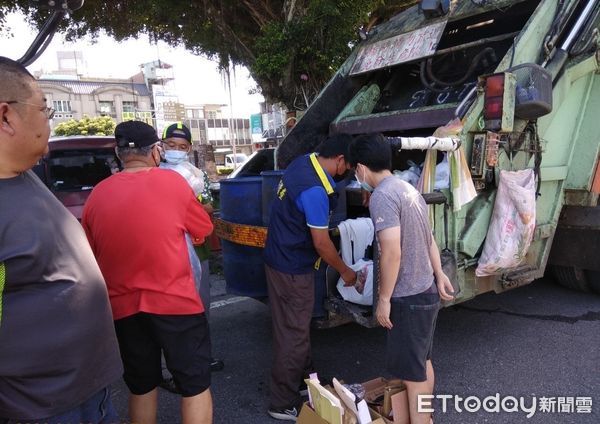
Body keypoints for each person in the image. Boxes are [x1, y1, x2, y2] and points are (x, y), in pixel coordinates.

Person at [0, 57, 122, 423]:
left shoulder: (24, 176)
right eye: (45, 108)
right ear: (6, 117)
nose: (49, 121)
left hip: (88, 393)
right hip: (41, 408)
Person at [82, 121, 214, 424]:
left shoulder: (98, 195)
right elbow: (203, 228)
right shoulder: (173, 184)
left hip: (123, 308)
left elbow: (90, 251)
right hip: (176, 303)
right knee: (194, 386)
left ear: (118, 153)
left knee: (141, 386)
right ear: (156, 150)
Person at [348, 133, 454, 424]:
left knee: (412, 374)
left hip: (408, 298)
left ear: (361, 167)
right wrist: (440, 273)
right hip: (426, 291)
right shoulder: (407, 188)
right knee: (422, 363)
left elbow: (392, 252)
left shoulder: (382, 196)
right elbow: (428, 236)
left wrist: (383, 299)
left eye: (355, 170)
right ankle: (427, 418)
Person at [263, 134, 357, 421]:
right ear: (339, 160)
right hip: (293, 269)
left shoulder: (303, 163)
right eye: (348, 166)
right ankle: (281, 402)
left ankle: (307, 382)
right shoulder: (315, 191)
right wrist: (346, 270)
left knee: (295, 327)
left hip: (278, 258)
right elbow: (321, 243)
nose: (348, 171)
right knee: (293, 335)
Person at [159, 122, 224, 386]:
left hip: (197, 249)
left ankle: (201, 358)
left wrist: (187, 203)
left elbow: (209, 206)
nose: (176, 151)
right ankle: (171, 365)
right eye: (171, 146)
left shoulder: (197, 174)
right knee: (169, 311)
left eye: (182, 147)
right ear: (161, 146)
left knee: (200, 304)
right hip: (166, 252)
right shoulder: (153, 173)